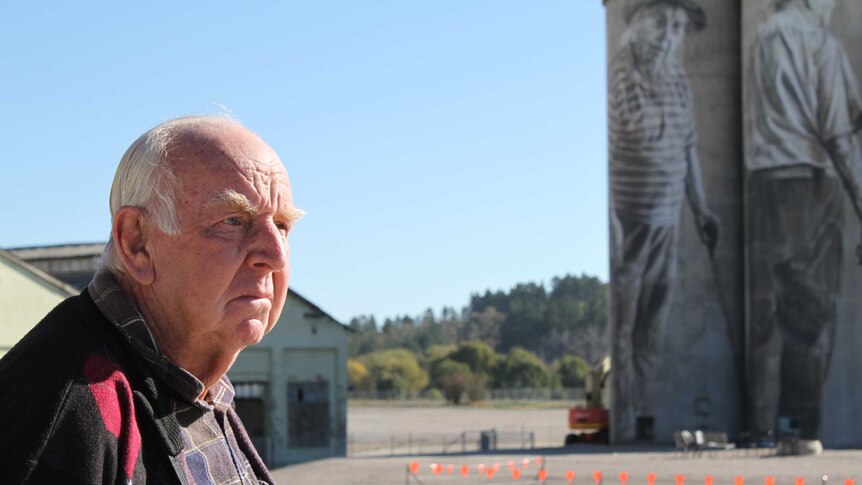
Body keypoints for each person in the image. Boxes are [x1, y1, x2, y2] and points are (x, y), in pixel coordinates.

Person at [0, 115, 304, 482]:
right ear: (137, 243)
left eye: (283, 226)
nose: (275, 255)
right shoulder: (66, 415)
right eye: (233, 221)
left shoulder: (197, 385)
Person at [746, 0, 862, 454]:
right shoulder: (821, 43)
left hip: (763, 183)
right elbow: (837, 132)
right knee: (813, 318)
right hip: (809, 184)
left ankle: (787, 426)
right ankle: (800, 431)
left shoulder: (762, 36)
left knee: (780, 312)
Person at [608, 0, 719, 441]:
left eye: (677, 26)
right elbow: (611, 152)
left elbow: (688, 144)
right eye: (660, 22)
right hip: (630, 224)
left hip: (669, 220)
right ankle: (628, 419)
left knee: (653, 328)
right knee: (624, 330)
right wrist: (613, 228)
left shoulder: (677, 77)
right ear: (635, 23)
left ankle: (648, 416)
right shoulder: (619, 76)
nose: (670, 35)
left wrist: (702, 207)